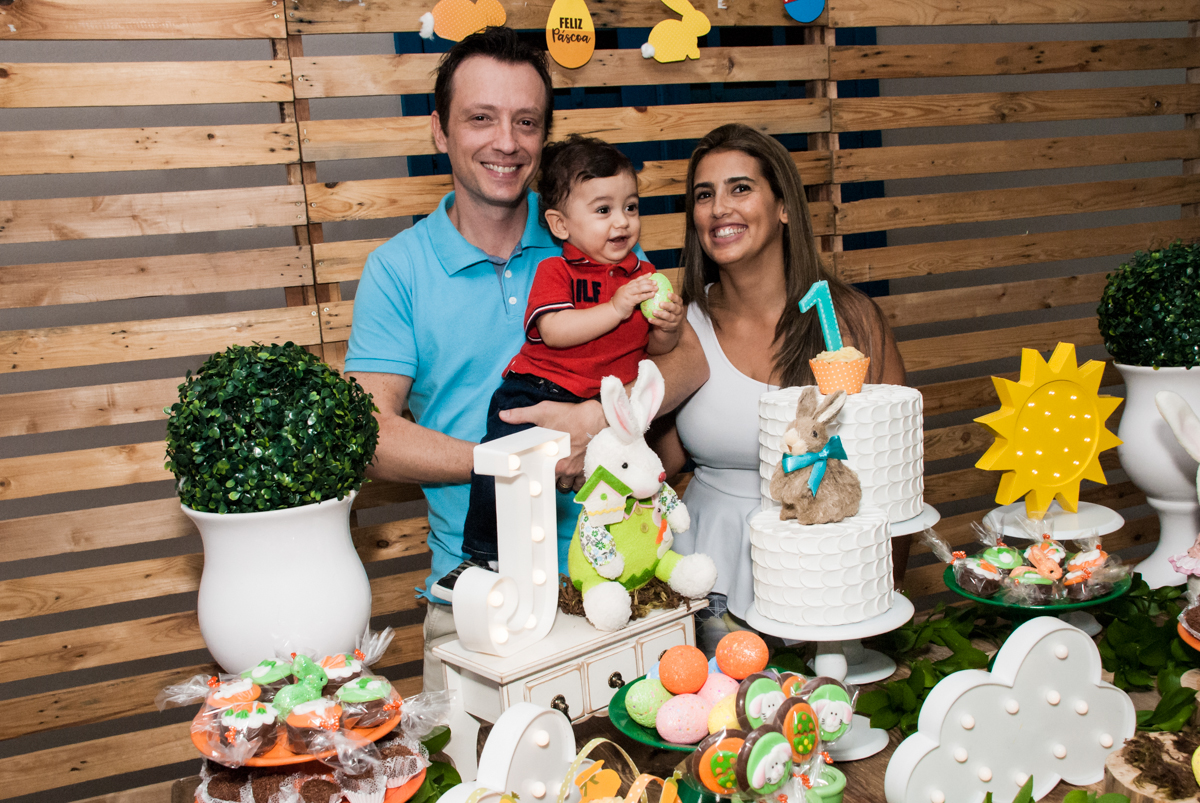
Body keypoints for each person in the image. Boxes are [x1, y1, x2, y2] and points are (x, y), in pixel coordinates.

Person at [342, 28, 707, 692]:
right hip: (480, 599)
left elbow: (689, 361)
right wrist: (517, 457)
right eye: (480, 118)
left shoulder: (593, 228)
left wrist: (598, 421)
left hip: (623, 575)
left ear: (544, 138)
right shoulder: (398, 270)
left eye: (526, 122)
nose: (505, 141)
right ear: (438, 130)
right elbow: (371, 436)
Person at [649, 123, 907, 653]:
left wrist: (876, 601)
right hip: (708, 588)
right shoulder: (682, 326)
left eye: (740, 188)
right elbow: (656, 464)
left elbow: (894, 486)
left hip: (827, 582)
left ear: (785, 206)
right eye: (705, 194)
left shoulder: (850, 323)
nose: (719, 207)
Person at [442, 135, 684, 600]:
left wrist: (668, 326)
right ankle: (479, 558)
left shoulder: (641, 275)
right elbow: (554, 330)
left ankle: (630, 555)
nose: (622, 222)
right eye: (602, 210)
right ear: (559, 223)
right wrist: (614, 309)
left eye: (630, 207)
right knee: (498, 465)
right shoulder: (558, 270)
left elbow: (656, 347)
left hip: (603, 403)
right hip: (536, 390)